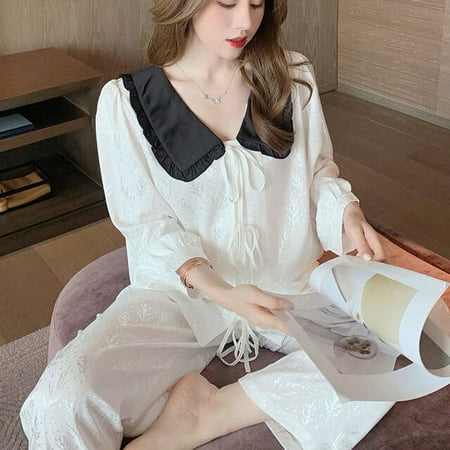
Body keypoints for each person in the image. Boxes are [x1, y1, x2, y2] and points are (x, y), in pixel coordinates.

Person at [20, 1, 393, 449]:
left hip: (286, 289)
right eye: (227, 2)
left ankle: (208, 413)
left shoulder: (293, 78)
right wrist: (221, 291)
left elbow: (316, 174)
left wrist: (346, 211)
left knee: (404, 351)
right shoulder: (125, 102)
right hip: (181, 300)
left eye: (257, 3)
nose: (245, 21)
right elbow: (146, 223)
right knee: (60, 402)